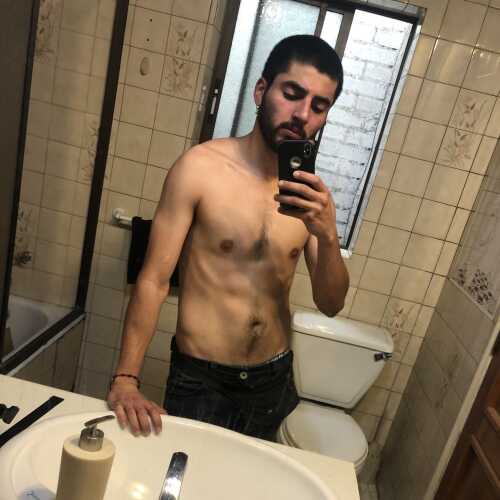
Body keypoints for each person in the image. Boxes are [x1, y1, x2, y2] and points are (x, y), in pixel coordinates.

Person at [107, 35, 349, 441]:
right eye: (292, 94)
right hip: (202, 379)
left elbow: (331, 304)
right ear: (261, 90)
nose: (302, 114)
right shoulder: (199, 169)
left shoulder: (311, 197)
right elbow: (153, 280)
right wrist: (126, 378)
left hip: (272, 378)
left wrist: (327, 235)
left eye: (319, 106)